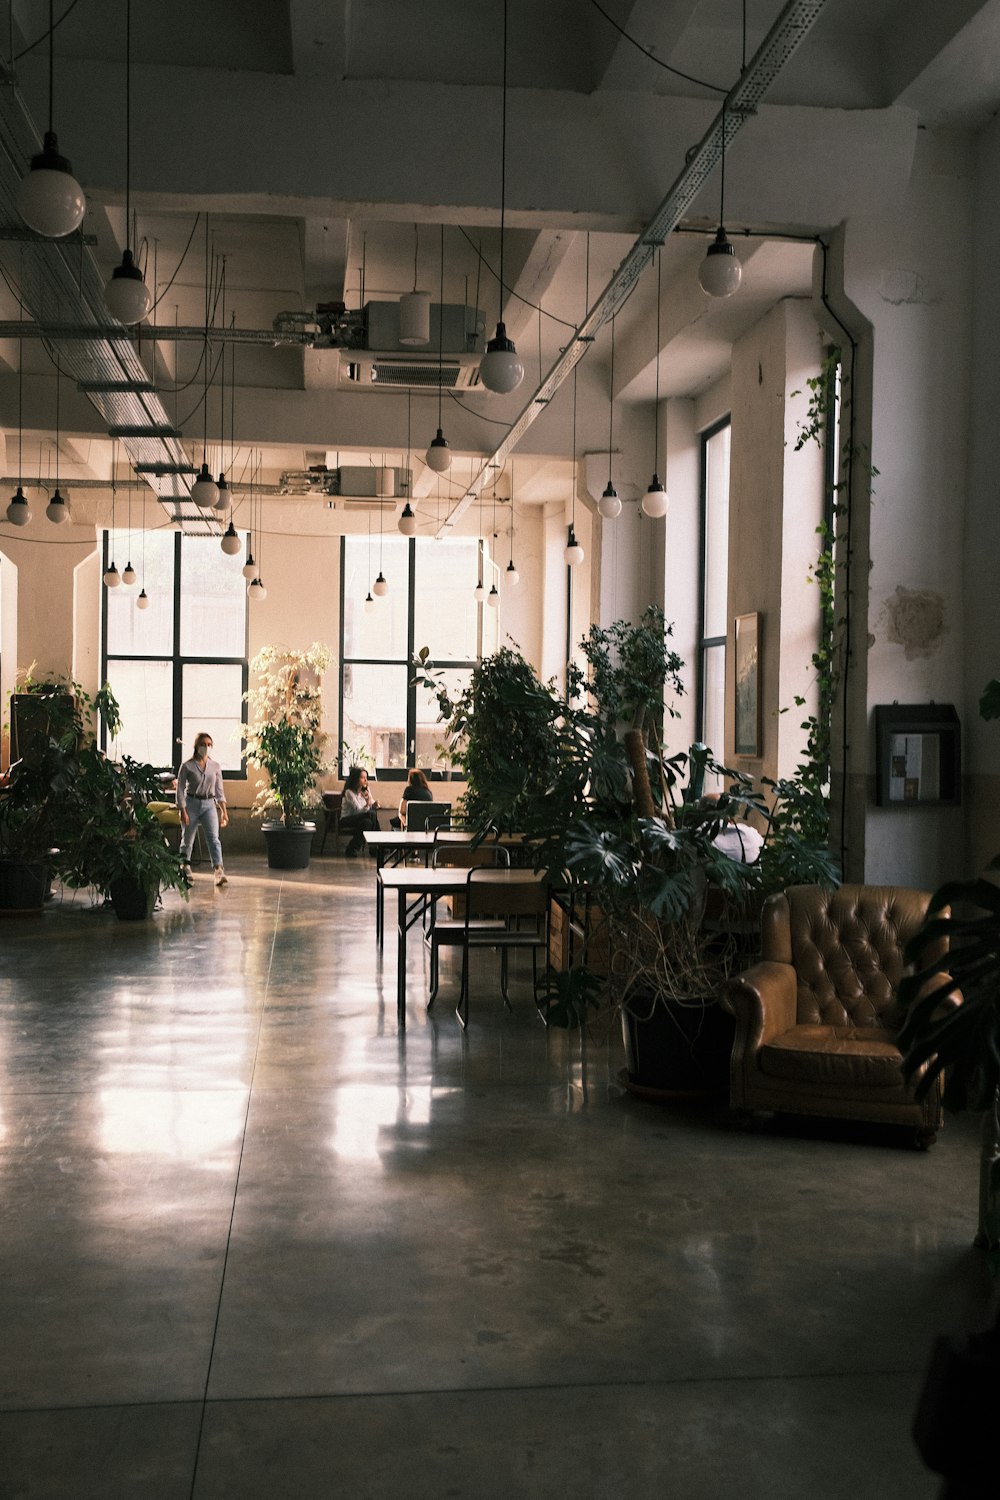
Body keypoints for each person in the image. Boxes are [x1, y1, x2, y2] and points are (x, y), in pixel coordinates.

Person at [176, 733, 229, 886]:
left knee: (213, 839)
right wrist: (182, 810)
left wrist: (224, 811)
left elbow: (219, 791)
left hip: (209, 805)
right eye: (203, 744)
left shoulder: (215, 766)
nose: (206, 748)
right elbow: (180, 790)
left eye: (209, 745)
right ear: (196, 746)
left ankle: (219, 870)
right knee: (187, 838)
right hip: (191, 803)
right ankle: (185, 866)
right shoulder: (187, 766)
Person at [341, 765, 380, 855]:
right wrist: (368, 803)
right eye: (362, 778)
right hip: (347, 819)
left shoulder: (365, 791)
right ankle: (375, 846)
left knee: (367, 822)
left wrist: (374, 804)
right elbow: (358, 810)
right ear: (355, 779)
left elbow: (371, 803)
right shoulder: (349, 792)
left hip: (361, 818)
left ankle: (352, 848)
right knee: (371, 814)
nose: (365, 780)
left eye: (366, 778)